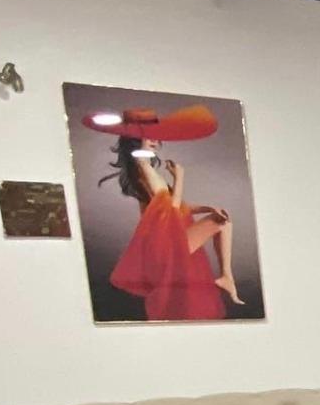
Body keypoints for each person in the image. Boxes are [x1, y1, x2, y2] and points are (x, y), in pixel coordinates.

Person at [89, 104, 243, 319]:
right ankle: (226, 276)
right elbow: (172, 210)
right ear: (135, 140)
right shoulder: (144, 170)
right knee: (222, 222)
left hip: (163, 240)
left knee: (222, 220)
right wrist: (179, 178)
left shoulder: (142, 169)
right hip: (164, 244)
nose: (155, 141)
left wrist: (206, 208)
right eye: (148, 137)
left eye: (156, 137)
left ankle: (226, 276)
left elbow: (175, 208)